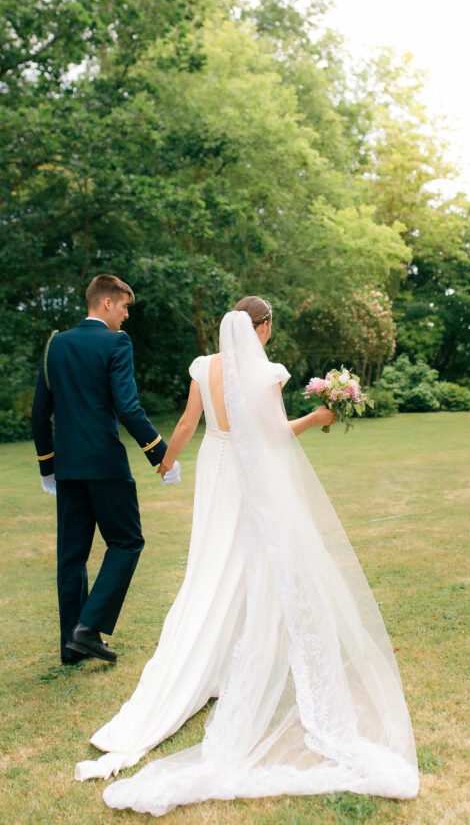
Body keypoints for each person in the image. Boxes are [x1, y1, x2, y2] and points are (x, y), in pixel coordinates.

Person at [75, 296, 419, 813]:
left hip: (214, 468)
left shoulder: (203, 366)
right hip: (247, 473)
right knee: (247, 563)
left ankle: (212, 659)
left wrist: (166, 462)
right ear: (263, 326)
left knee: (210, 563)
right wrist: (317, 416)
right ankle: (234, 658)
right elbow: (274, 435)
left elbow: (187, 424)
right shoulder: (266, 373)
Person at [31, 274, 179, 666]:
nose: (127, 315)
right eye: (125, 306)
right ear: (108, 302)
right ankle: (88, 627)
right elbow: (128, 408)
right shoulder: (116, 342)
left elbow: (39, 413)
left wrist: (48, 467)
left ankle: (71, 647)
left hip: (68, 468)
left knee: (71, 556)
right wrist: (161, 454)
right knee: (127, 542)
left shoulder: (55, 344)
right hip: (105, 465)